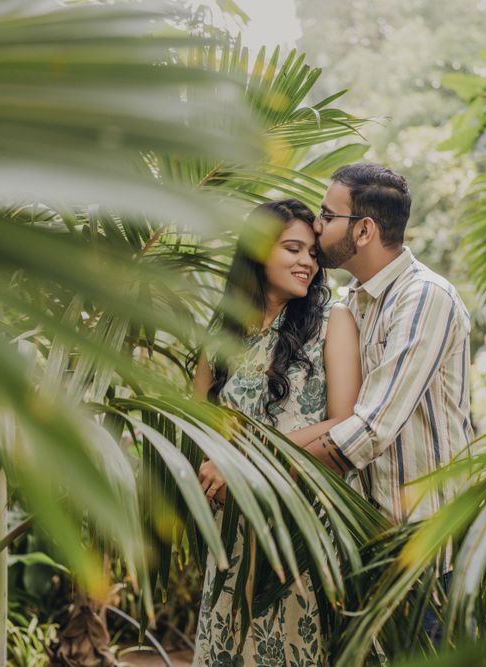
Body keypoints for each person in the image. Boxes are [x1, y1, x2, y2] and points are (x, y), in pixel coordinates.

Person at [303, 162, 473, 641]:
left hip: (427, 549)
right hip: (374, 544)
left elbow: (370, 428)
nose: (317, 225)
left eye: (326, 214)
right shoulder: (354, 303)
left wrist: (259, 467)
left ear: (363, 230)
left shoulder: (423, 297)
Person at [192, 199, 362, 667]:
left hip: (299, 523)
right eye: (293, 248)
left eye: (312, 253)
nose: (307, 262)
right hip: (232, 530)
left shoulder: (333, 323)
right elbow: (199, 424)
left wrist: (245, 460)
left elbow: (346, 422)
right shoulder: (221, 333)